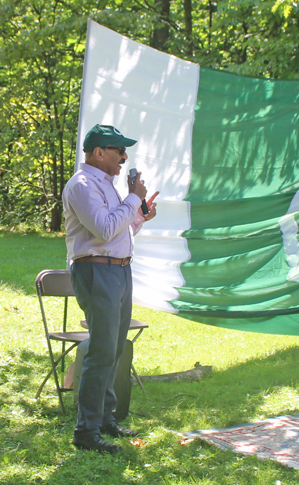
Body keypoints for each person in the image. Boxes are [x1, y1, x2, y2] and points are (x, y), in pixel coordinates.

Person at [62, 124, 159, 454]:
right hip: (96, 272)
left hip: (117, 271)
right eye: (118, 150)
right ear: (98, 152)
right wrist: (134, 197)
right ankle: (85, 431)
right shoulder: (82, 185)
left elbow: (117, 231)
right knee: (102, 350)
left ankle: (104, 419)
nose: (124, 156)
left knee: (114, 349)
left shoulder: (105, 184)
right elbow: (103, 230)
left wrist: (139, 216)